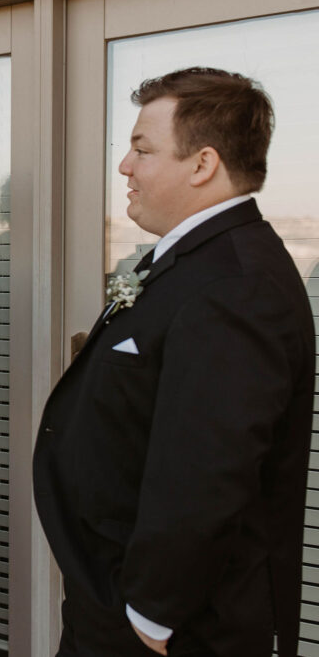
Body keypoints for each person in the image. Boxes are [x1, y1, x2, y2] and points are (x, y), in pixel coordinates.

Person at [33, 67, 314, 657]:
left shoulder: (237, 284)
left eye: (141, 149)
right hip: (113, 596)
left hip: (172, 628)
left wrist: (151, 615)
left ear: (202, 164)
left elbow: (211, 468)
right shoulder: (190, 261)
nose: (124, 167)